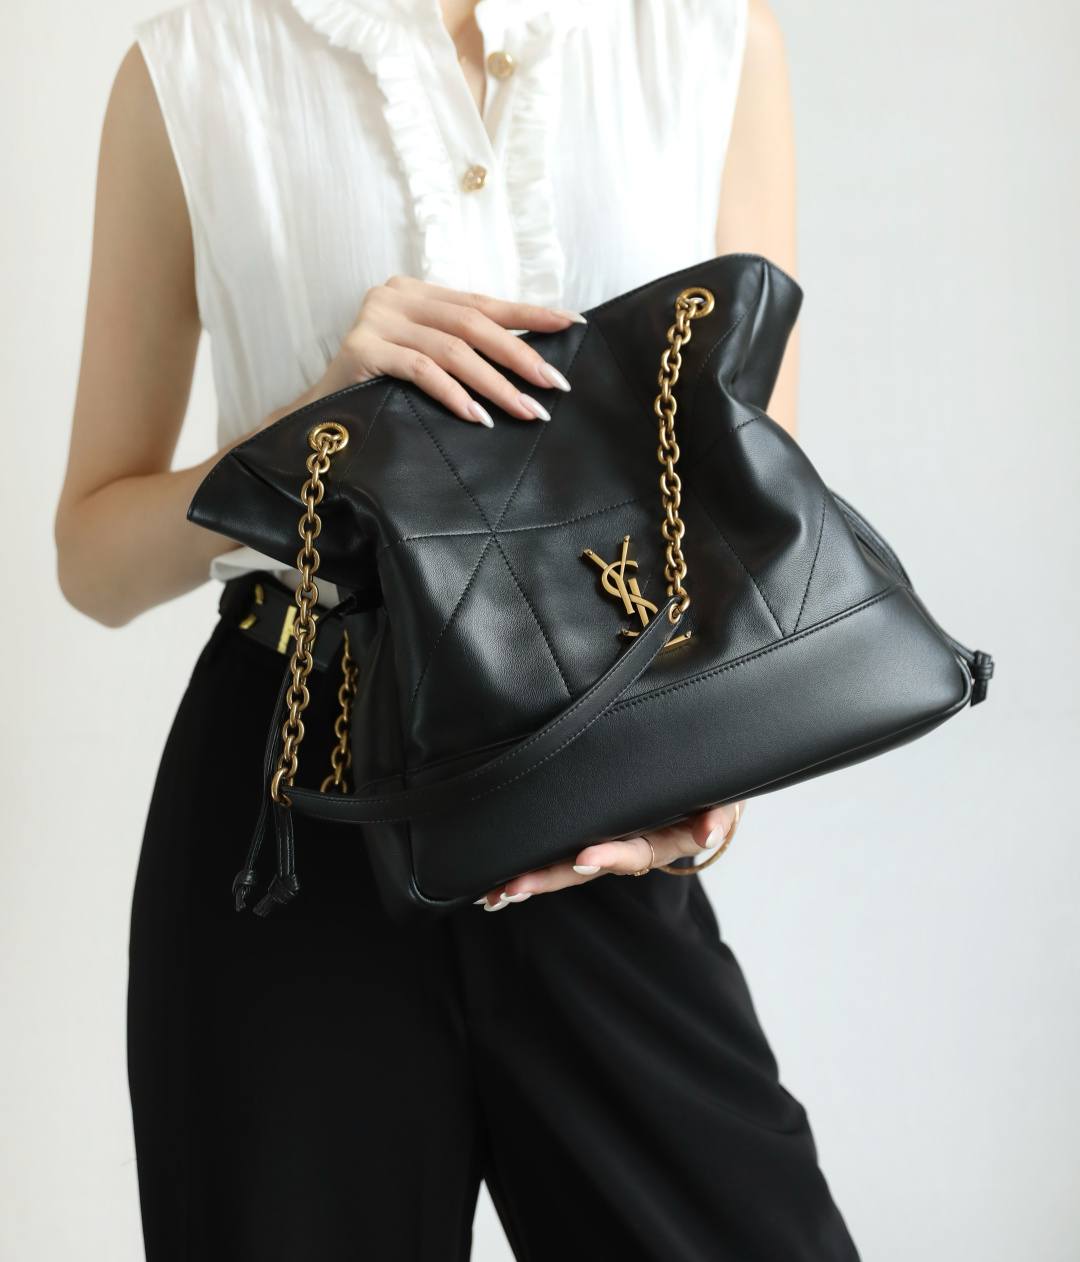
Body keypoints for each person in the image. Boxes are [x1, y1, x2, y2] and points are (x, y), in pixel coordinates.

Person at [56, 0, 858, 1257]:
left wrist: (717, 780)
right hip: (292, 810)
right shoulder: (192, 67)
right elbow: (94, 556)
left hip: (599, 787)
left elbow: (759, 520)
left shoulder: (705, 38)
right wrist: (315, 430)